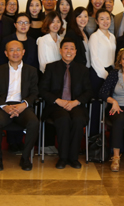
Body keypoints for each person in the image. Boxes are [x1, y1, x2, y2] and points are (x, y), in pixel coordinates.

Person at [40, 38, 93, 169]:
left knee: (78, 119)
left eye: (72, 48)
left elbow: (88, 91)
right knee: (63, 119)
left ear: (75, 51)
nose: (69, 51)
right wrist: (58, 100)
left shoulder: (83, 69)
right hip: (56, 106)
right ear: (60, 50)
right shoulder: (51, 67)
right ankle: (63, 158)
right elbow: (42, 90)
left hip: (75, 105)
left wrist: (75, 102)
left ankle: (73, 158)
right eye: (66, 48)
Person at [0, 40, 39, 171]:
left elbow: (34, 93)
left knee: (33, 122)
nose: (15, 53)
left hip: (23, 106)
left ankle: (25, 158)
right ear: (6, 53)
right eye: (11, 50)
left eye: (18, 50)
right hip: (4, 106)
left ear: (23, 52)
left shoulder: (31, 71)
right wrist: (4, 106)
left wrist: (24, 104)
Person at [88, 8, 116, 134]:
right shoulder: (94, 37)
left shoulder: (112, 37)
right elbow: (94, 58)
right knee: (97, 103)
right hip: (98, 72)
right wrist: (106, 75)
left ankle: (107, 134)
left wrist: (112, 74)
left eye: (107, 19)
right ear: (96, 21)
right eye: (102, 19)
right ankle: (93, 135)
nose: (105, 21)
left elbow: (113, 57)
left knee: (109, 102)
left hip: (111, 71)